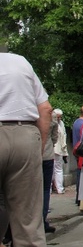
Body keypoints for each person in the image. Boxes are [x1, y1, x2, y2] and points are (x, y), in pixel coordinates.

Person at [0, 52, 52, 246]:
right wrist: (37, 149)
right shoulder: (19, 61)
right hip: (25, 135)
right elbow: (45, 109)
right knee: (28, 220)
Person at [42, 104, 58, 234]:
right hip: (46, 154)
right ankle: (42, 220)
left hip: (31, 155)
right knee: (45, 190)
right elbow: (54, 138)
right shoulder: (51, 115)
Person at [72, 105, 83, 205]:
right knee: (81, 174)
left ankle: (78, 197)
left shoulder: (76, 122)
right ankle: (80, 198)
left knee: (79, 172)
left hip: (77, 149)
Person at [52, 109, 68, 194]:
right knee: (54, 169)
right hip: (53, 148)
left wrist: (65, 151)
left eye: (60, 117)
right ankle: (54, 188)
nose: (59, 118)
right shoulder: (54, 123)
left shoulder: (61, 123)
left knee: (57, 169)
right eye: (58, 117)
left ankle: (59, 188)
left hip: (58, 149)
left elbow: (64, 137)